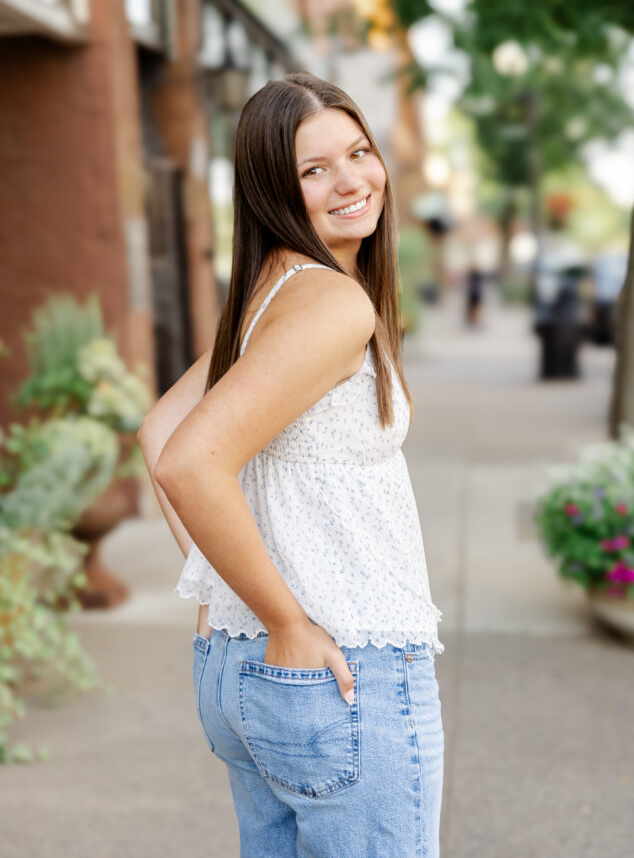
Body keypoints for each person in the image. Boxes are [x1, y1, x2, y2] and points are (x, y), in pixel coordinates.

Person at [137, 72, 444, 858]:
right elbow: (188, 459)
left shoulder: (268, 291)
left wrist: (219, 588)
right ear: (274, 189)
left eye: (358, 152)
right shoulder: (332, 303)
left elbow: (160, 426)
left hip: (248, 672)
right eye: (314, 170)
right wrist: (284, 620)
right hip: (338, 670)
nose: (351, 181)